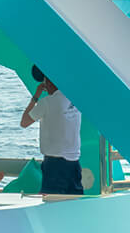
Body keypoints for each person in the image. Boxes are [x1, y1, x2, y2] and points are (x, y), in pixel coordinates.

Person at [21, 65, 83, 195]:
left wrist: (36, 96)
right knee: (74, 200)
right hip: (74, 163)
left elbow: (24, 122)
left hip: (55, 164)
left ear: (48, 82)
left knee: (51, 201)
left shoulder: (47, 102)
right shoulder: (76, 98)